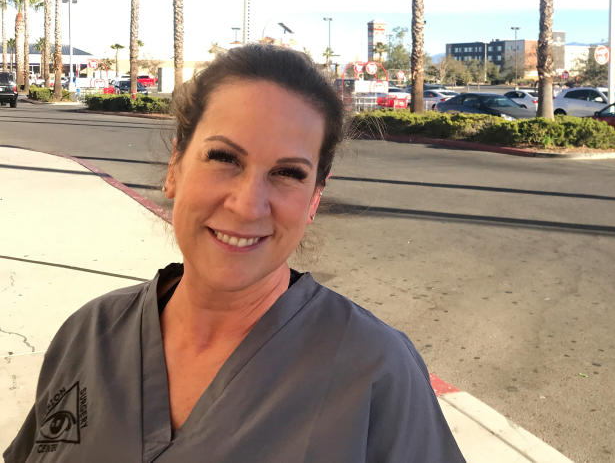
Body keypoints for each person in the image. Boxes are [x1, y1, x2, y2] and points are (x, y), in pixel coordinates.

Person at [5, 44, 465, 462]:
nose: (247, 205)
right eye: (224, 158)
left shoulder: (374, 371)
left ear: (313, 202)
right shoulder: (89, 337)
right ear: (175, 169)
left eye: (287, 172)